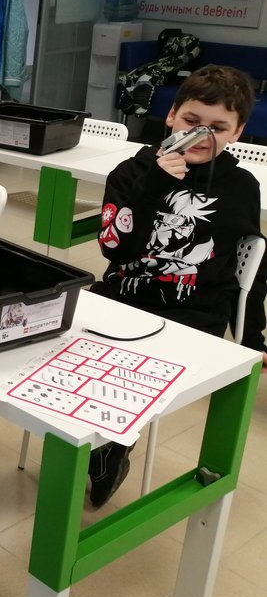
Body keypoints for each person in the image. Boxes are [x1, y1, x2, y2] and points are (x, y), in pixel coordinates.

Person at [86, 64, 262, 509]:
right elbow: (114, 250)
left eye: (217, 128)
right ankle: (92, 437)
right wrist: (156, 185)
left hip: (193, 313)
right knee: (62, 349)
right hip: (122, 296)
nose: (201, 135)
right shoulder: (131, 172)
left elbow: (253, 266)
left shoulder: (242, 186)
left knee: (134, 371)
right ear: (170, 116)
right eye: (191, 121)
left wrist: (254, 339)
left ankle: (111, 445)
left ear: (237, 133)